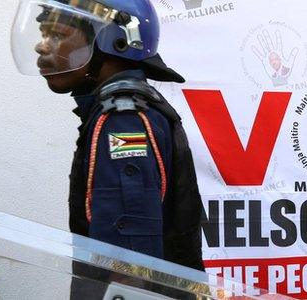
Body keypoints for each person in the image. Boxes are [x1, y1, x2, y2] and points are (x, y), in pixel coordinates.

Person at [11, 0, 205, 270]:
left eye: (57, 35)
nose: (41, 45)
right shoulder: (127, 110)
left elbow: (129, 265)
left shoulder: (123, 120)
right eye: (44, 34)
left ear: (115, 42)